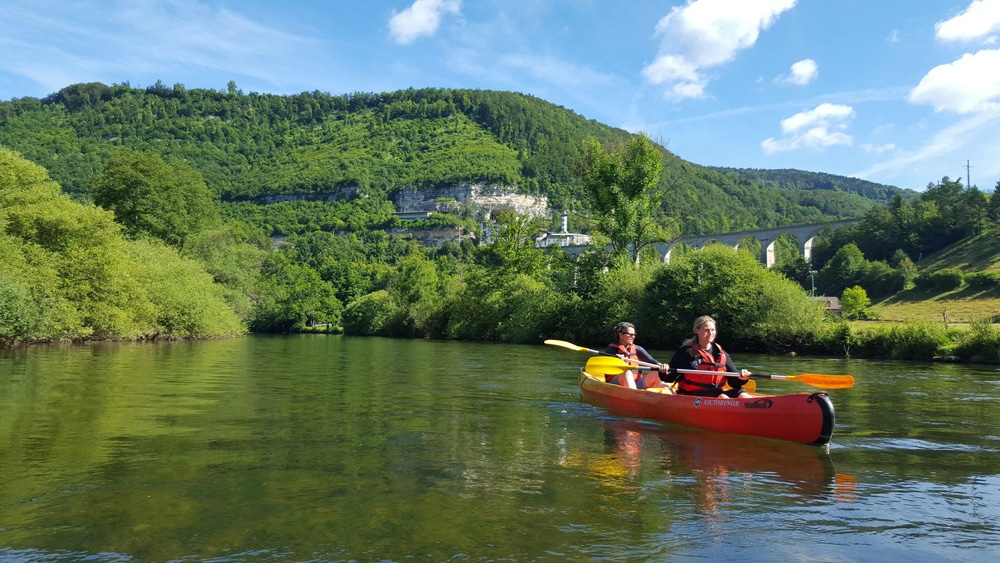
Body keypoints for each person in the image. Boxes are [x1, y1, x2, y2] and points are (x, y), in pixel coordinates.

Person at [665, 315, 751, 398]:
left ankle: (754, 407)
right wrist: (664, 371)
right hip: (692, 395)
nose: (710, 333)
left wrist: (742, 378)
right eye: (706, 330)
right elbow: (669, 378)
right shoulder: (685, 352)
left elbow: (733, 383)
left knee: (740, 391)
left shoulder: (721, 353)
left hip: (717, 393)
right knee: (720, 394)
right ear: (696, 330)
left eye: (713, 330)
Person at [604, 321, 668, 389]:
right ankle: (634, 396)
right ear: (621, 335)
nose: (633, 337)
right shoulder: (611, 349)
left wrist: (662, 366)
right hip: (617, 381)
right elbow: (607, 366)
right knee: (627, 372)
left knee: (656, 372)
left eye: (634, 335)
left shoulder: (638, 349)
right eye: (630, 334)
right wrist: (616, 360)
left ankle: (668, 395)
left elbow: (651, 361)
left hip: (636, 382)